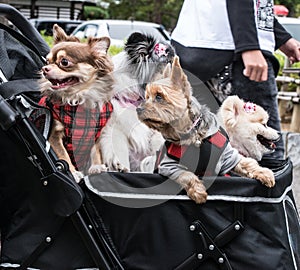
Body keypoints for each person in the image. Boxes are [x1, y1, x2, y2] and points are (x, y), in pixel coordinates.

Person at [171, 0, 300, 160]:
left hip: (202, 44)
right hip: (234, 53)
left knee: (207, 157)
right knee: (267, 156)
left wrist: (281, 38)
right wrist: (249, 47)